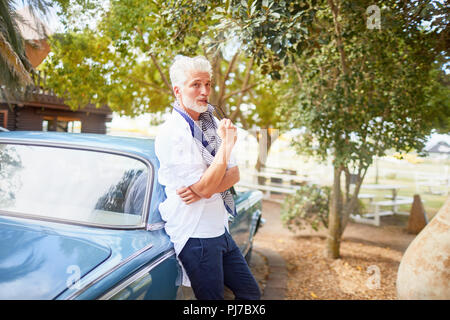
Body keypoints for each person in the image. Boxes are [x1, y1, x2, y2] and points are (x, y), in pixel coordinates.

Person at [155, 55, 261, 300]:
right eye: (196, 85)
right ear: (178, 90)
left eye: (208, 84)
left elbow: (234, 174)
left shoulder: (212, 122)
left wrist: (207, 186)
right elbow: (206, 186)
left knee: (250, 293)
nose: (205, 91)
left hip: (219, 229)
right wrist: (225, 148)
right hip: (196, 234)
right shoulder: (172, 133)